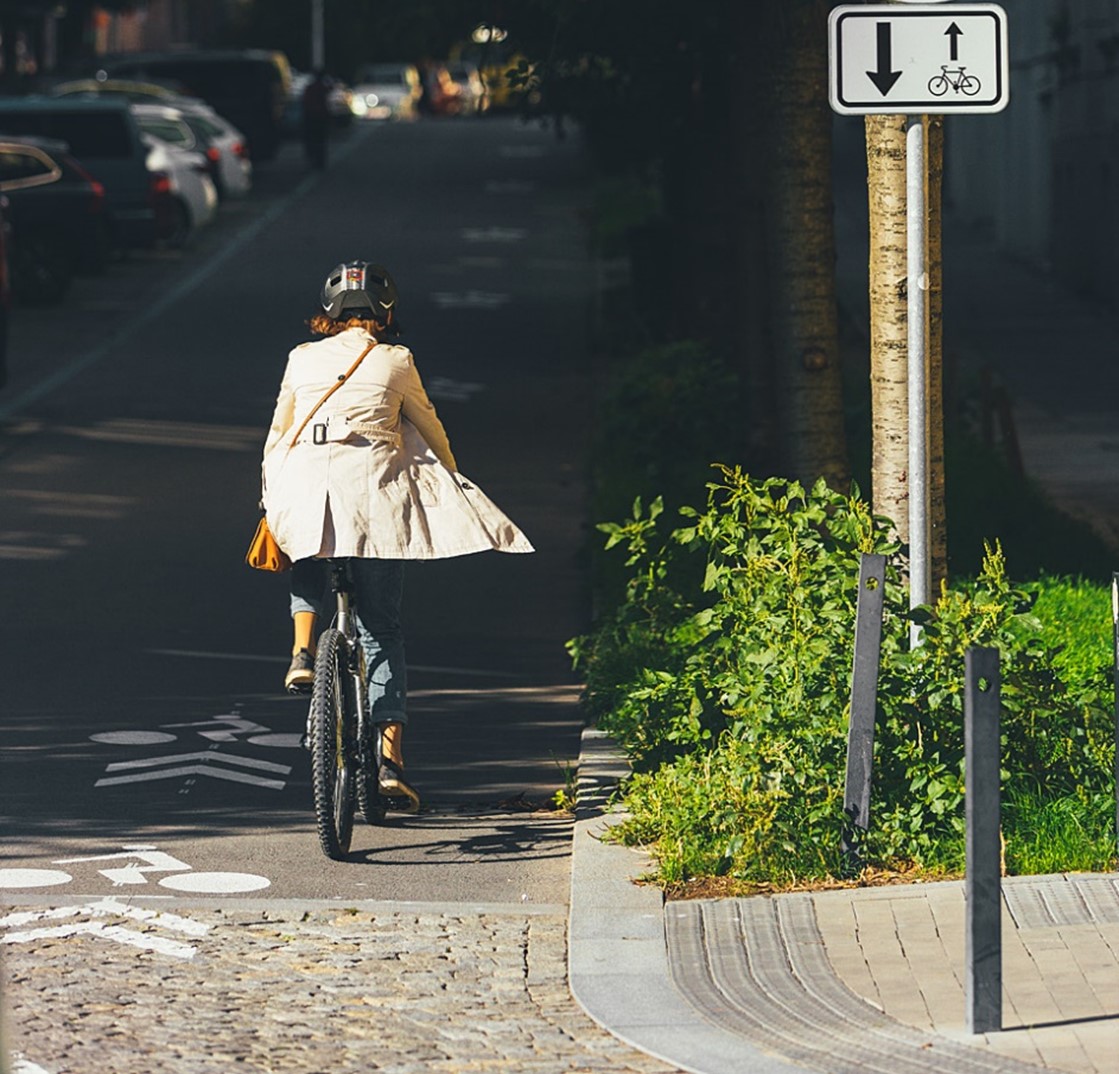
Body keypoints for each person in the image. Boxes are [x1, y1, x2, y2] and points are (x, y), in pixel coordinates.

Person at [260, 261, 531, 814]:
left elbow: (278, 435)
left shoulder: (301, 358)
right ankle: (389, 761)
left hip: (302, 491)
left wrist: (269, 502)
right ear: (385, 313)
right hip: (375, 506)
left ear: (329, 311)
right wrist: (451, 475)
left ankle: (302, 652)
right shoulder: (395, 360)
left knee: (310, 546)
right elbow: (429, 425)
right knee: (383, 629)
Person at [301, 70, 331, 169]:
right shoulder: (321, 88)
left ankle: (314, 159)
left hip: (312, 116)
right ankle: (318, 160)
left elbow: (305, 102)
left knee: (313, 140)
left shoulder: (311, 88)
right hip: (318, 117)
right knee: (319, 140)